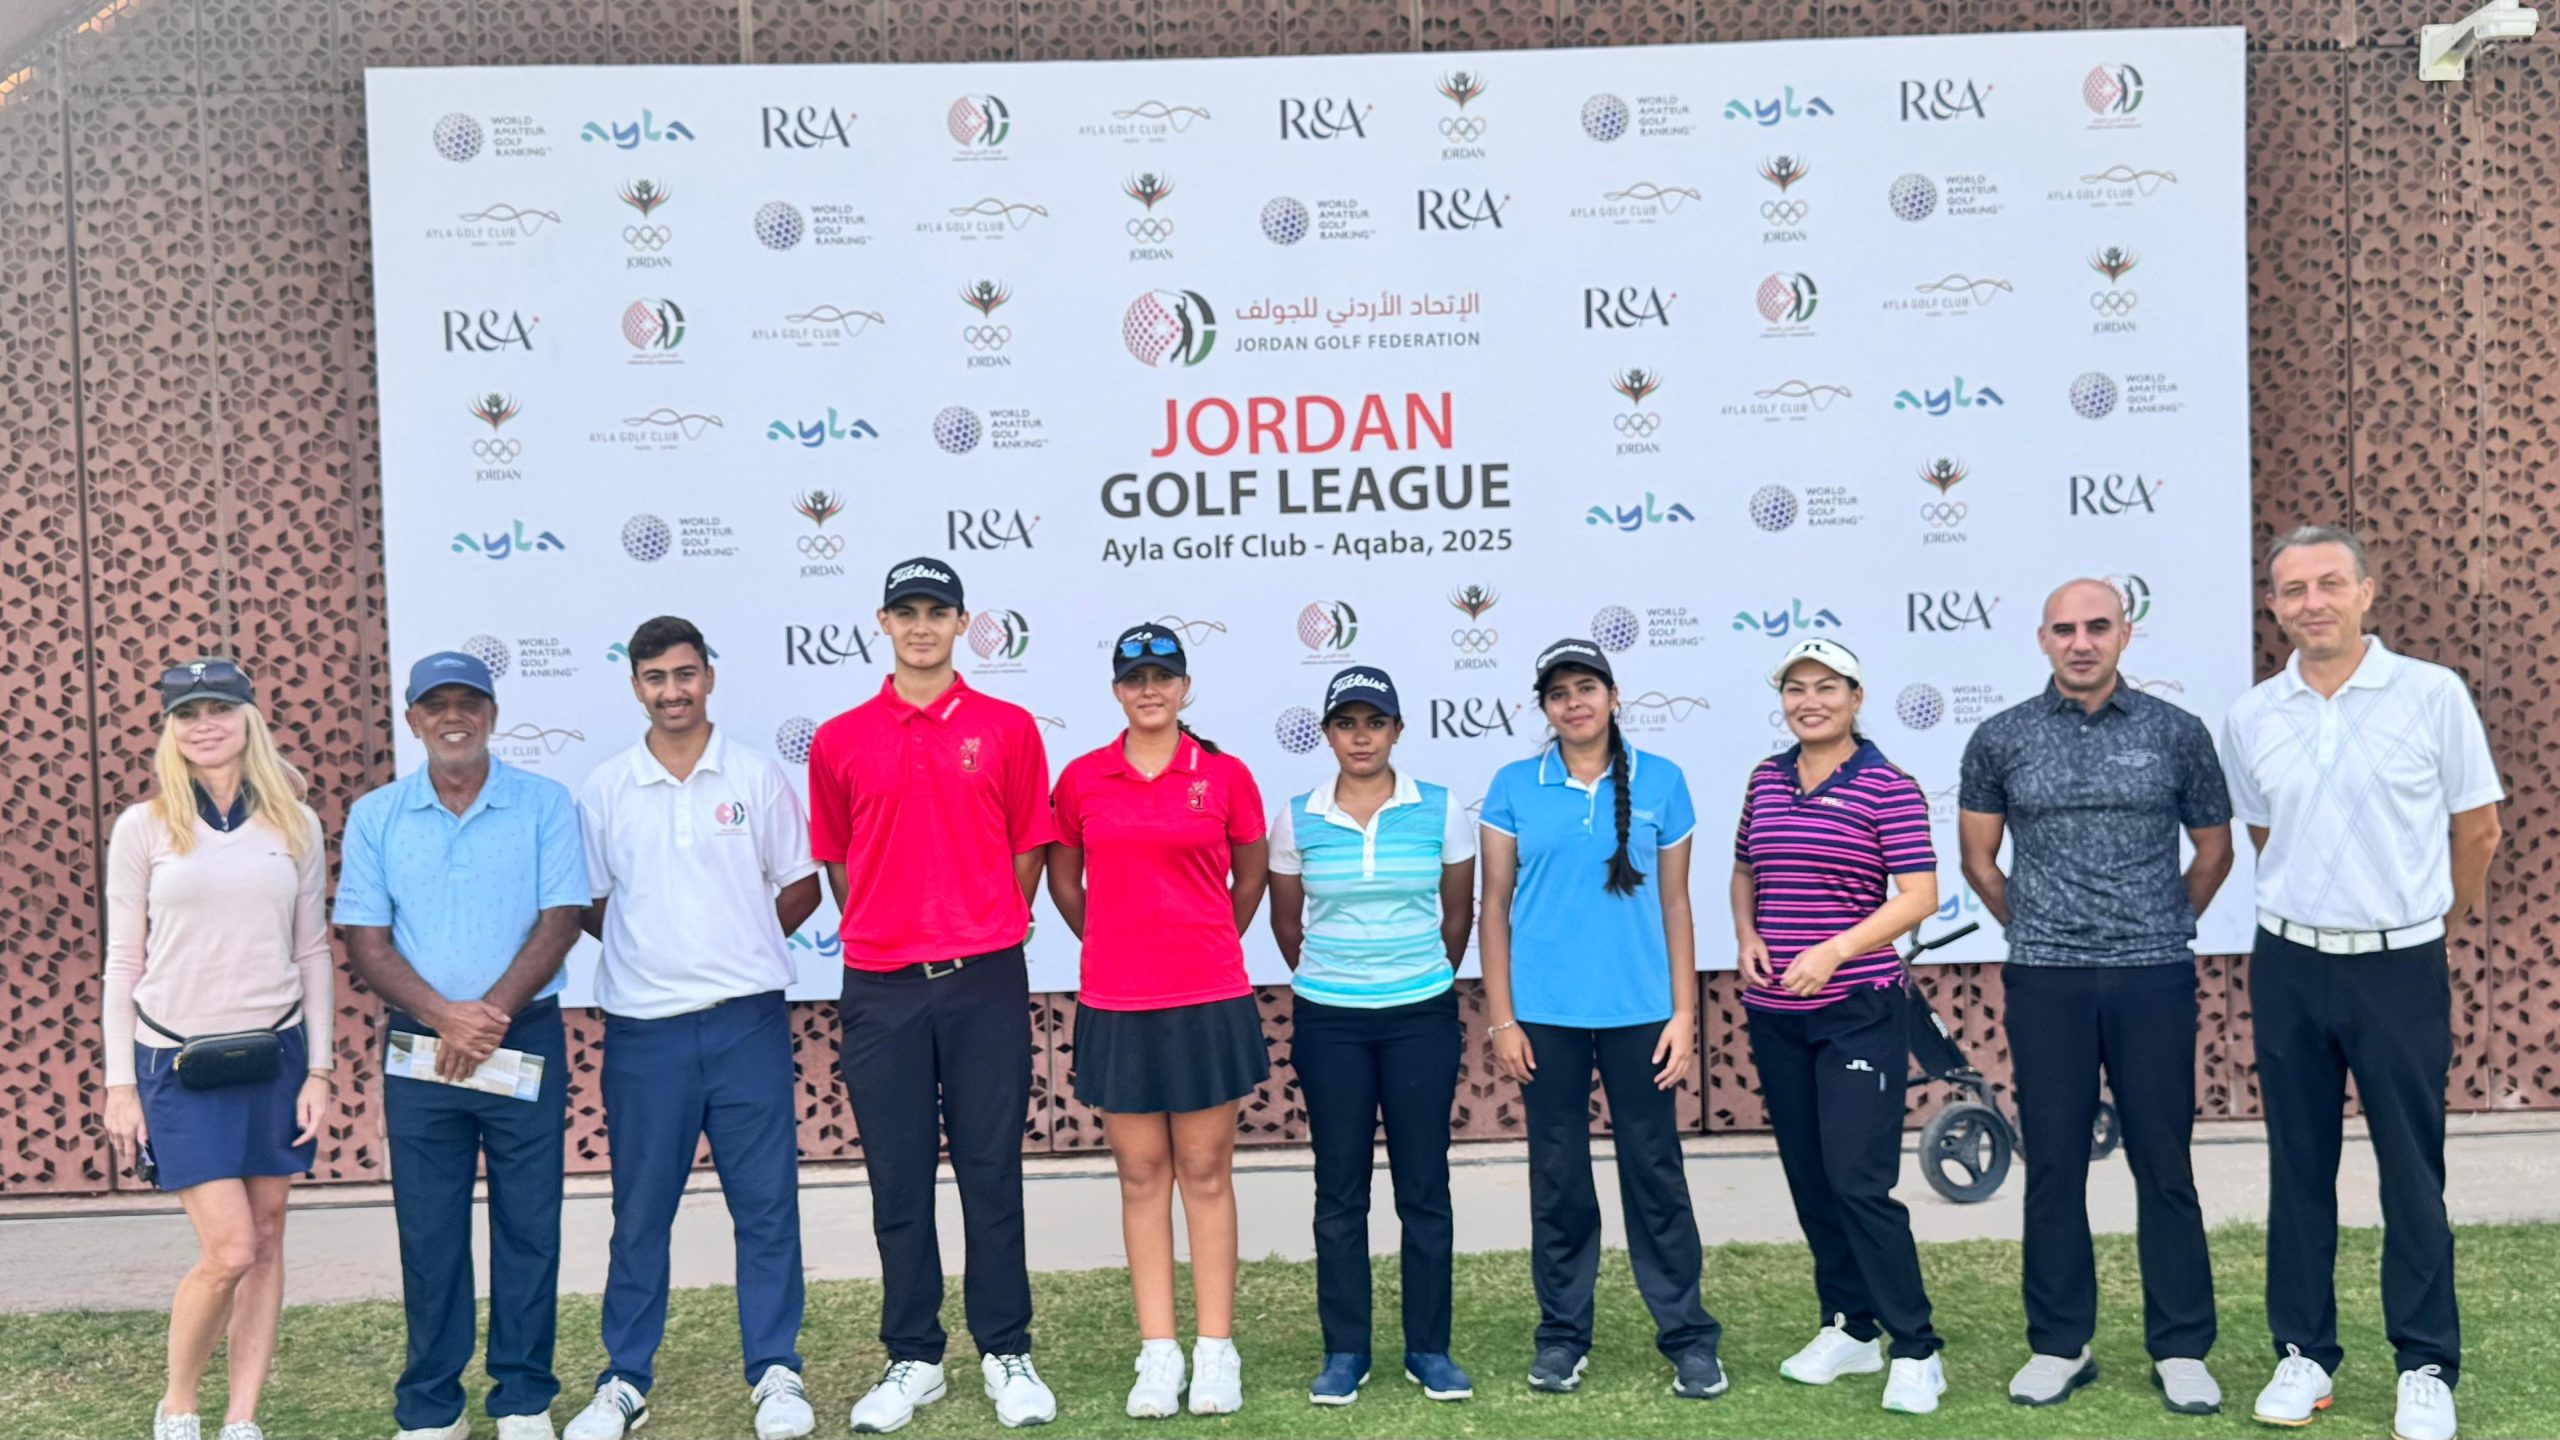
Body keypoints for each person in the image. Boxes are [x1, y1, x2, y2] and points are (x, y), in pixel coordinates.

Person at [2222, 525, 2503, 1440]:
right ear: (2275, 606)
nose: (2314, 602)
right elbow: (2266, 835)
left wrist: (2431, 928)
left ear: (2367, 592)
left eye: (2330, 583)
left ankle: (2424, 1364)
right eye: (2294, 589)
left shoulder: (2433, 694)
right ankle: (2304, 1355)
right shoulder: (2252, 715)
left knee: (2412, 1174)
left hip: (2400, 965)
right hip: (2291, 963)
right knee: (2299, 1167)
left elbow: (2478, 830)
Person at [1959, 580, 2236, 1415]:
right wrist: (2037, 929)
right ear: (2043, 639)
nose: (2081, 642)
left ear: (2125, 634)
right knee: (2052, 1162)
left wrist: (2160, 925)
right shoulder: (2001, 737)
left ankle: (2181, 1347)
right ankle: (2058, 1343)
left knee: (2165, 1161)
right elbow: (1979, 860)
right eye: (2065, 629)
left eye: (2097, 627)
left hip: (2153, 975)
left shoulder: (2176, 732)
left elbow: (2215, 851)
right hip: (2047, 978)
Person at [804, 558, 1059, 1433]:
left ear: (961, 622)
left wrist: (982, 922)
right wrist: (893, 929)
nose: (921, 626)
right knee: (898, 1177)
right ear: (882, 622)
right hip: (881, 986)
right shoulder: (839, 739)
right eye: (906, 611)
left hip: (985, 979)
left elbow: (1028, 847)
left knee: (991, 1170)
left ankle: (1005, 1348)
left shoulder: (1008, 727)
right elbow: (839, 860)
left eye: (936, 612)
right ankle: (913, 1356)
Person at [563, 618, 822, 1440]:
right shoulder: (606, 788)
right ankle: (623, 1378)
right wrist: (655, 951)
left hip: (746, 1024)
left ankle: (776, 1371)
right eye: (655, 678)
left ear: (708, 675)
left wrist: (736, 944)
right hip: (646, 1033)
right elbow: (591, 904)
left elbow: (803, 885)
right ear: (635, 686)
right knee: (641, 1212)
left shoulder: (754, 773)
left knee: (766, 1206)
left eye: (684, 674)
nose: (671, 691)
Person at [337, 651, 588, 1440]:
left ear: (492, 714)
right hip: (421, 1049)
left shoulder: (544, 803)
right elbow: (365, 941)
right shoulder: (377, 815)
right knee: (429, 1230)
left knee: (529, 1225)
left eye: (469, 702)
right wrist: (445, 1017)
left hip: (523, 1036)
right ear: (413, 719)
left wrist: (487, 1016)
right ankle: (432, 1406)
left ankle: (523, 1398)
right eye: (437, 704)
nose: (455, 717)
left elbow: (562, 919)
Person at [1478, 638, 1725, 1402]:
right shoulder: (1514, 785)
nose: (1574, 703)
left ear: (1614, 697)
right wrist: (1502, 1019)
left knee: (1655, 1174)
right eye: (1558, 694)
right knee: (1558, 1179)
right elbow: (1494, 907)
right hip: (1543, 1017)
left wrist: (1684, 1013)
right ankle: (1561, 1337)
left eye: (1586, 688)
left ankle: (1689, 1338)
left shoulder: (1663, 781)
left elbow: (1677, 903)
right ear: (1545, 709)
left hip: (1641, 1013)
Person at [103, 658, 337, 1440]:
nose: (205, 725)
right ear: (169, 729)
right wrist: (120, 1085)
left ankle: (242, 1418)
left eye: (219, 709)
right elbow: (122, 962)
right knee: (230, 1247)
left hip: (274, 1056)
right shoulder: (144, 827)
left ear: (249, 719)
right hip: (176, 1060)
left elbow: (312, 952)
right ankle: (178, 1404)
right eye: (187, 714)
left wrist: (321, 1069)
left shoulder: (295, 823)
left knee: (266, 1238)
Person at [1046, 623, 1271, 1420]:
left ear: (1184, 687)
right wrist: (1117, 942)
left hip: (1207, 998)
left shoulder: (1225, 775)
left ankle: (1215, 1351)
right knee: (1142, 1176)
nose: (1150, 690)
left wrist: (1200, 943)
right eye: (1135, 678)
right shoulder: (1083, 779)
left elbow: (1250, 879)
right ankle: (1158, 1353)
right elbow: (1065, 883)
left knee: (1206, 1173)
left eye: (1163, 677)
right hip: (1117, 1000)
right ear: (1117, 690)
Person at [1733, 638, 1947, 1415]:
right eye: (1796, 688)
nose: (1810, 701)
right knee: (1812, 1178)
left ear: (1856, 698)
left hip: (1858, 1008)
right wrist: (1746, 934)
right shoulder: (1766, 778)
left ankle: (1916, 1347)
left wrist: (1834, 950)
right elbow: (1746, 869)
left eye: (1827, 687)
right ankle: (1851, 1327)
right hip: (1777, 1012)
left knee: (1859, 1180)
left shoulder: (1889, 785)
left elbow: (1918, 895)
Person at [1266, 666, 1477, 1408]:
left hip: (1421, 1016)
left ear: (1397, 730)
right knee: (1339, 1189)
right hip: (1331, 1021)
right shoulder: (1298, 817)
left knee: (1424, 1187)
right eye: (1347, 724)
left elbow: (1458, 916)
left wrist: (1413, 979)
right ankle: (1346, 1350)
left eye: (1375, 723)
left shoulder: (1440, 809)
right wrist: (1341, 980)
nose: (1362, 737)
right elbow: (1287, 924)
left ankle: (1429, 1348)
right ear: (1328, 734)